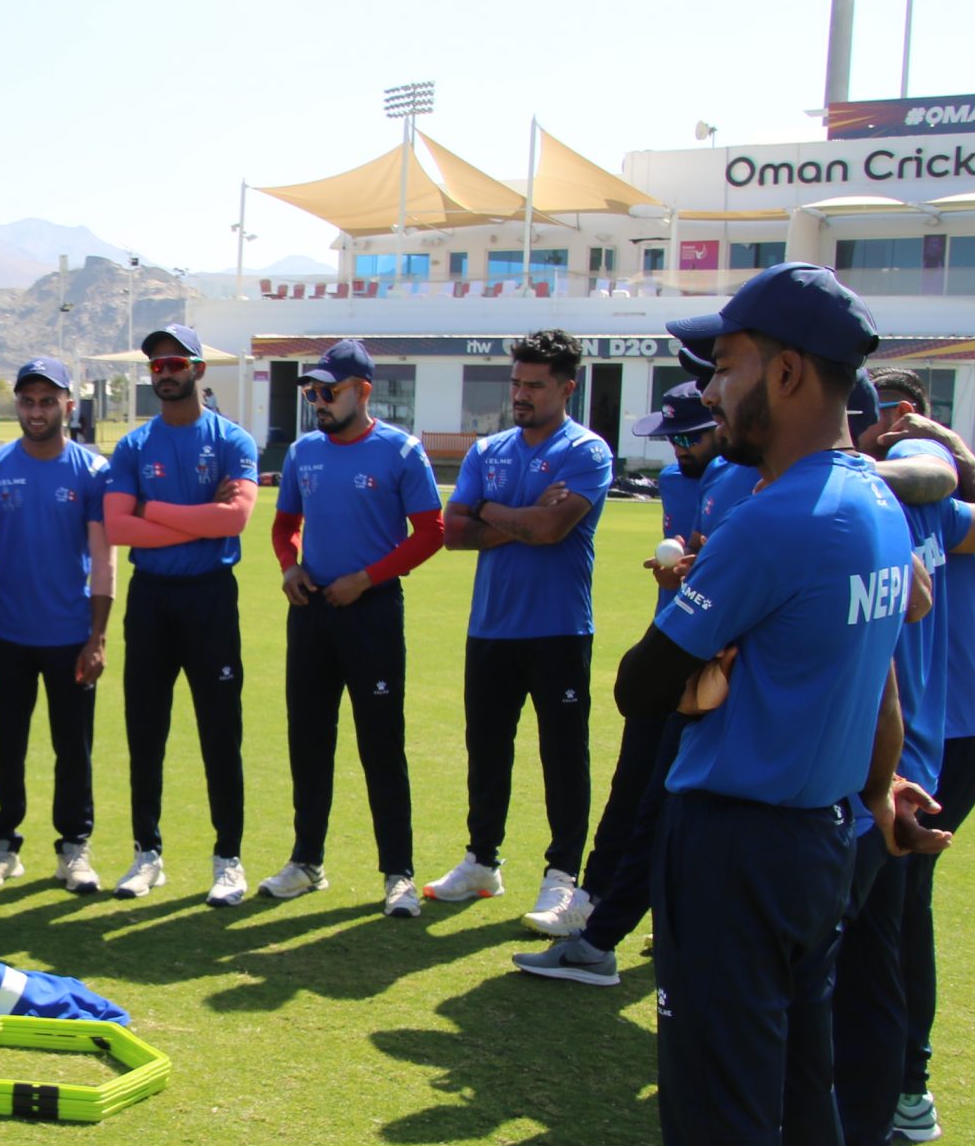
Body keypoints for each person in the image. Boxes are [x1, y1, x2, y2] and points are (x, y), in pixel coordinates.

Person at [554, 261, 940, 1146]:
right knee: (800, 1108)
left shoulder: (780, 514)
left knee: (723, 1137)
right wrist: (878, 791)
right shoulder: (872, 499)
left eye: (722, 365)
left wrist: (704, 663)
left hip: (737, 846)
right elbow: (875, 676)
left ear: (783, 371)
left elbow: (643, 687)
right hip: (821, 838)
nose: (709, 387)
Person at [517, 364, 752, 986]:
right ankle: (594, 903)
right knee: (633, 789)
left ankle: (642, 923)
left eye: (693, 436)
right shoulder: (679, 478)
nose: (681, 449)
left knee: (678, 802)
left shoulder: (743, 475)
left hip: (715, 661)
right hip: (671, 641)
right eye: (673, 439)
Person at [862, 373, 975, 1146]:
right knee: (893, 913)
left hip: (939, 734)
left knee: (896, 915)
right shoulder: (894, 492)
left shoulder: (917, 468)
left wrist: (947, 442)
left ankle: (903, 1088)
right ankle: (893, 1083)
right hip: (936, 729)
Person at [432, 330, 613, 934]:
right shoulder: (491, 449)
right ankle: (483, 862)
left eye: (535, 385)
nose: (521, 394)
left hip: (560, 628)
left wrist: (490, 510)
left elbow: (555, 529)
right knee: (486, 750)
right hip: (491, 628)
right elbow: (452, 531)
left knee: (563, 756)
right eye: (516, 382)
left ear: (568, 387)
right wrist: (520, 514)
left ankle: (563, 877)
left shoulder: (586, 452)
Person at [262, 340, 445, 918]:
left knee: (381, 745)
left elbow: (431, 531)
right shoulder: (303, 452)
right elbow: (285, 524)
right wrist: (290, 566)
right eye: (312, 391)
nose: (317, 400)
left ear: (363, 391)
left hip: (371, 613)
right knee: (308, 741)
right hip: (312, 612)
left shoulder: (400, 451)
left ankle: (398, 875)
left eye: (328, 390)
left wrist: (366, 579)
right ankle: (306, 862)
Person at [102, 325, 261, 905]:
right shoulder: (132, 446)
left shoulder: (232, 440)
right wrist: (197, 513)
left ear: (198, 369)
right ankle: (147, 853)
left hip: (210, 597)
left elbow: (234, 521)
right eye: (157, 365)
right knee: (145, 731)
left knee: (221, 732)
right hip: (152, 599)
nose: (164, 373)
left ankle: (229, 859)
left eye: (175, 363)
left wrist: (155, 510)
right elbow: (119, 528)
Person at [0, 358, 113, 896]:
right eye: (27, 401)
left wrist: (97, 638)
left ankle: (74, 848)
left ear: (68, 406)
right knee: (6, 745)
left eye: (48, 401)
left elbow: (103, 560)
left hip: (71, 635)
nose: (36, 410)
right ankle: (3, 846)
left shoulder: (92, 471)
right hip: (7, 635)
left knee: (74, 747)